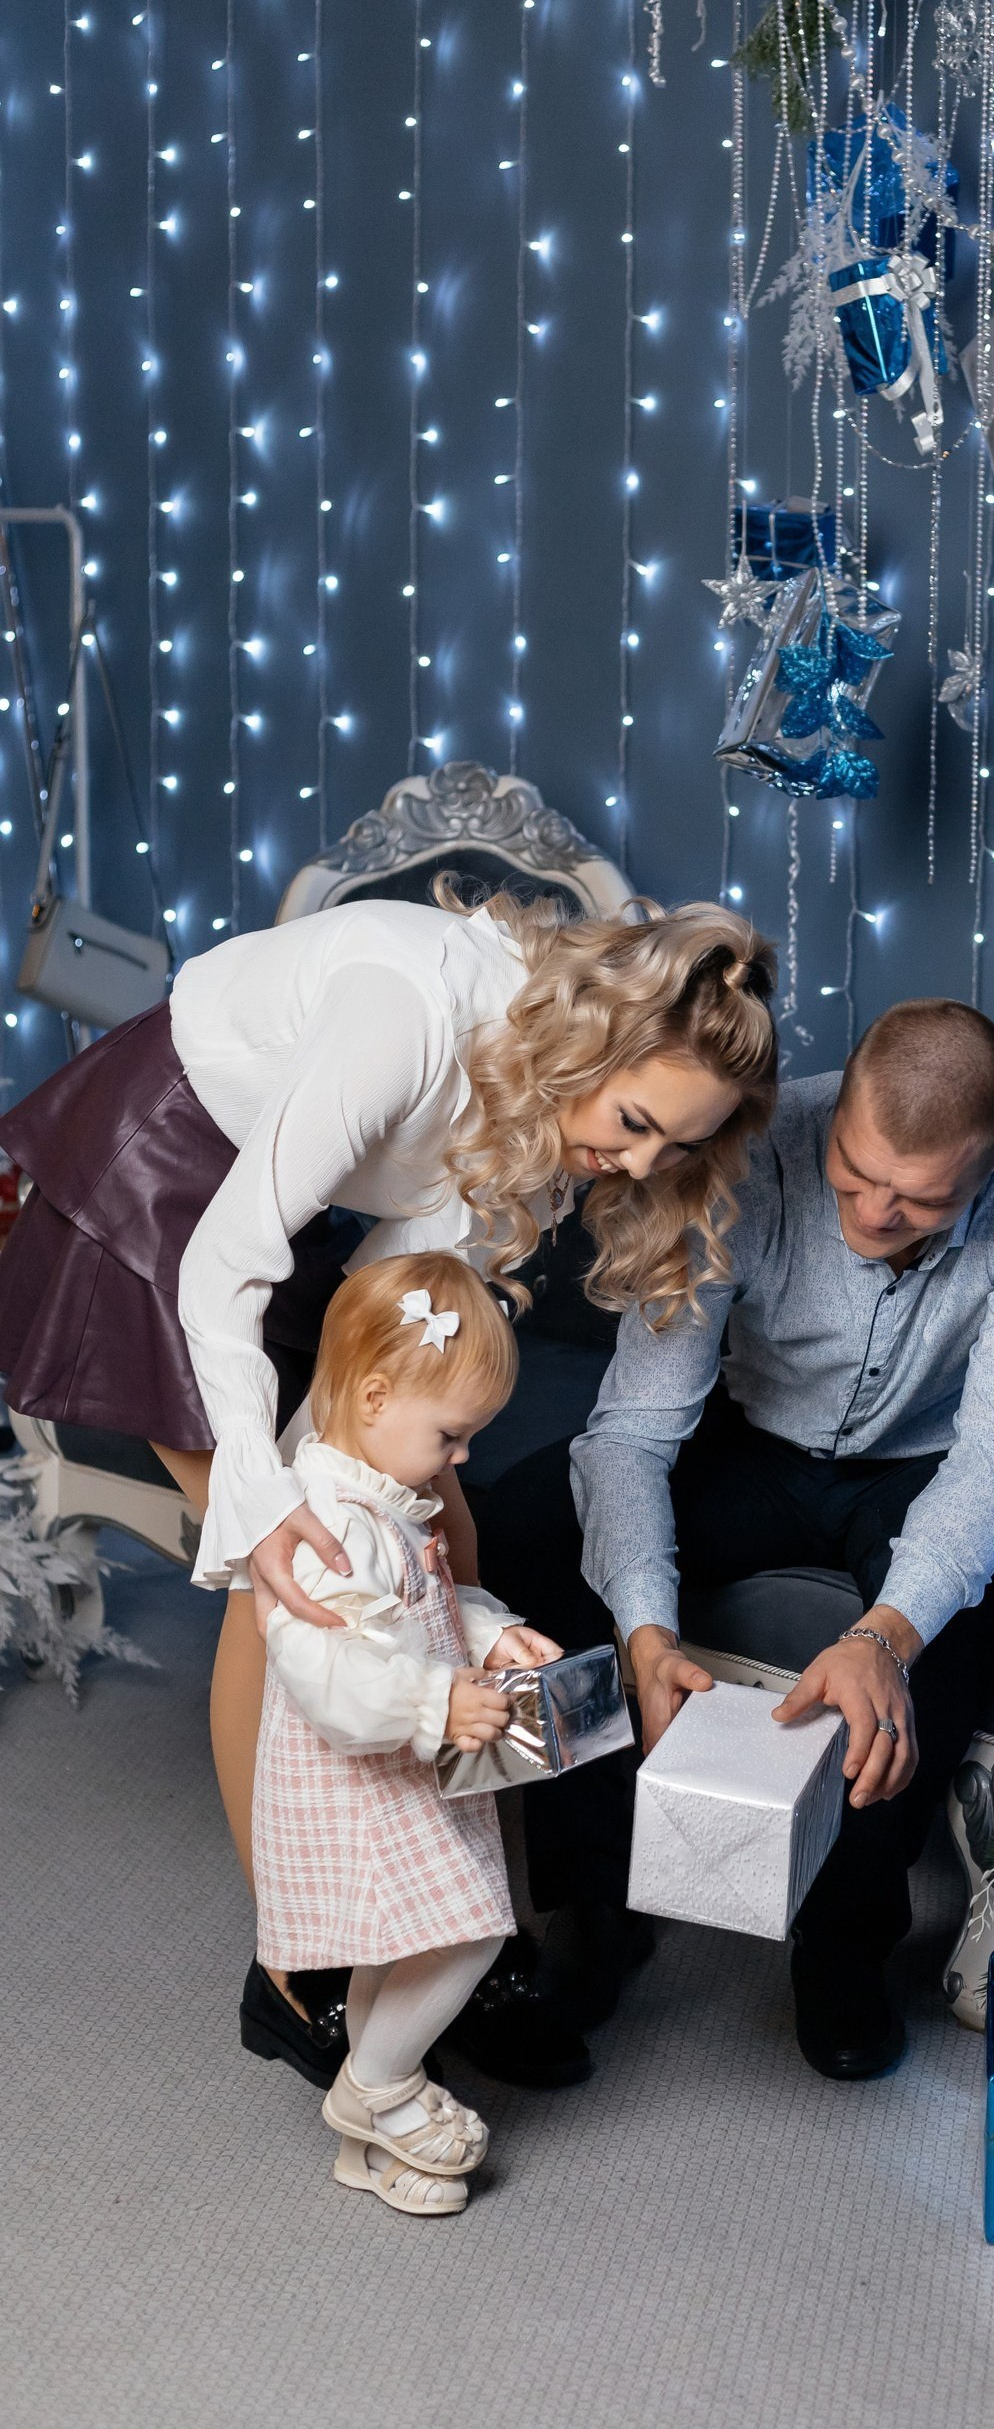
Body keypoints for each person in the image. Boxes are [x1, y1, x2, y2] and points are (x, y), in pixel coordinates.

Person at [0, 885, 776, 2083]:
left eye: (673, 1147)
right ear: (591, 1041)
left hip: (316, 1237)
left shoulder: (556, 1103)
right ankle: (299, 1972)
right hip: (165, 1201)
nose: (637, 1164)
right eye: (632, 1123)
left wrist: (376, 1495)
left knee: (435, 1544)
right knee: (301, 1584)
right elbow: (226, 1263)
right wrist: (274, 1498)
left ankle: (452, 1932)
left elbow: (405, 1279)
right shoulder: (403, 1015)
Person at [550, 997, 994, 2079]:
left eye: (922, 1197)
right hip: (745, 1435)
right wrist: (646, 1630)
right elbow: (631, 1431)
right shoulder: (747, 1150)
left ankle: (844, 1943)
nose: (878, 1211)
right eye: (856, 1175)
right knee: (547, 1544)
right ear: (836, 1106)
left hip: (923, 1463)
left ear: (988, 1165)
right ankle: (590, 1898)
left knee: (940, 1645)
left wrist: (886, 1636)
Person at [253, 1249, 561, 2220]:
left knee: (398, 1942)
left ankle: (364, 2139)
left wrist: (491, 1628)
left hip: (399, 1770)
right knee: (468, 1932)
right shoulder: (330, 1523)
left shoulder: (390, 1498)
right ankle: (378, 2087)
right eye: (452, 1436)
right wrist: (437, 1705)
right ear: (377, 1395)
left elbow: (433, 1607)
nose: (462, 1459)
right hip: (360, 1777)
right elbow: (330, 1675)